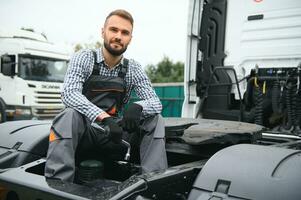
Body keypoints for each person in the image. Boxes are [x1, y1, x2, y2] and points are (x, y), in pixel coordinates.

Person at [44, 9, 168, 182]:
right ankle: (58, 184)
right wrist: (103, 118)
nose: (118, 36)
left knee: (155, 119)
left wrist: (139, 106)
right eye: (113, 30)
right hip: (84, 133)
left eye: (125, 33)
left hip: (115, 136)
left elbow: (155, 102)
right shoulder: (84, 58)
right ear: (103, 31)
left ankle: (154, 181)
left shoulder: (133, 68)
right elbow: (69, 94)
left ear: (130, 38)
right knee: (68, 115)